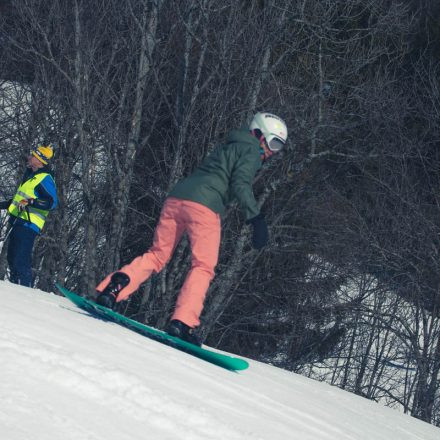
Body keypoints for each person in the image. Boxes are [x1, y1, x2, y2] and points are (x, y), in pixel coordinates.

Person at [96, 112, 288, 345]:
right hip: (205, 206)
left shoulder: (228, 145)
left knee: (157, 255)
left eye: (278, 147)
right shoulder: (251, 151)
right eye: (273, 143)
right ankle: (182, 322)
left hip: (177, 198)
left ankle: (113, 289)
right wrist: (255, 218)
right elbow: (240, 183)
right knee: (203, 266)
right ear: (259, 134)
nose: (272, 152)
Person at [0, 143, 58, 287]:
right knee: (12, 258)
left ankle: (24, 292)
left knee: (20, 260)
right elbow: (18, 200)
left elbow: (52, 202)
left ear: (39, 160)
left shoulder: (44, 178)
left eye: (33, 155)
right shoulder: (30, 176)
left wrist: (31, 201)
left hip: (28, 224)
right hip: (18, 222)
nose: (30, 157)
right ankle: (16, 288)